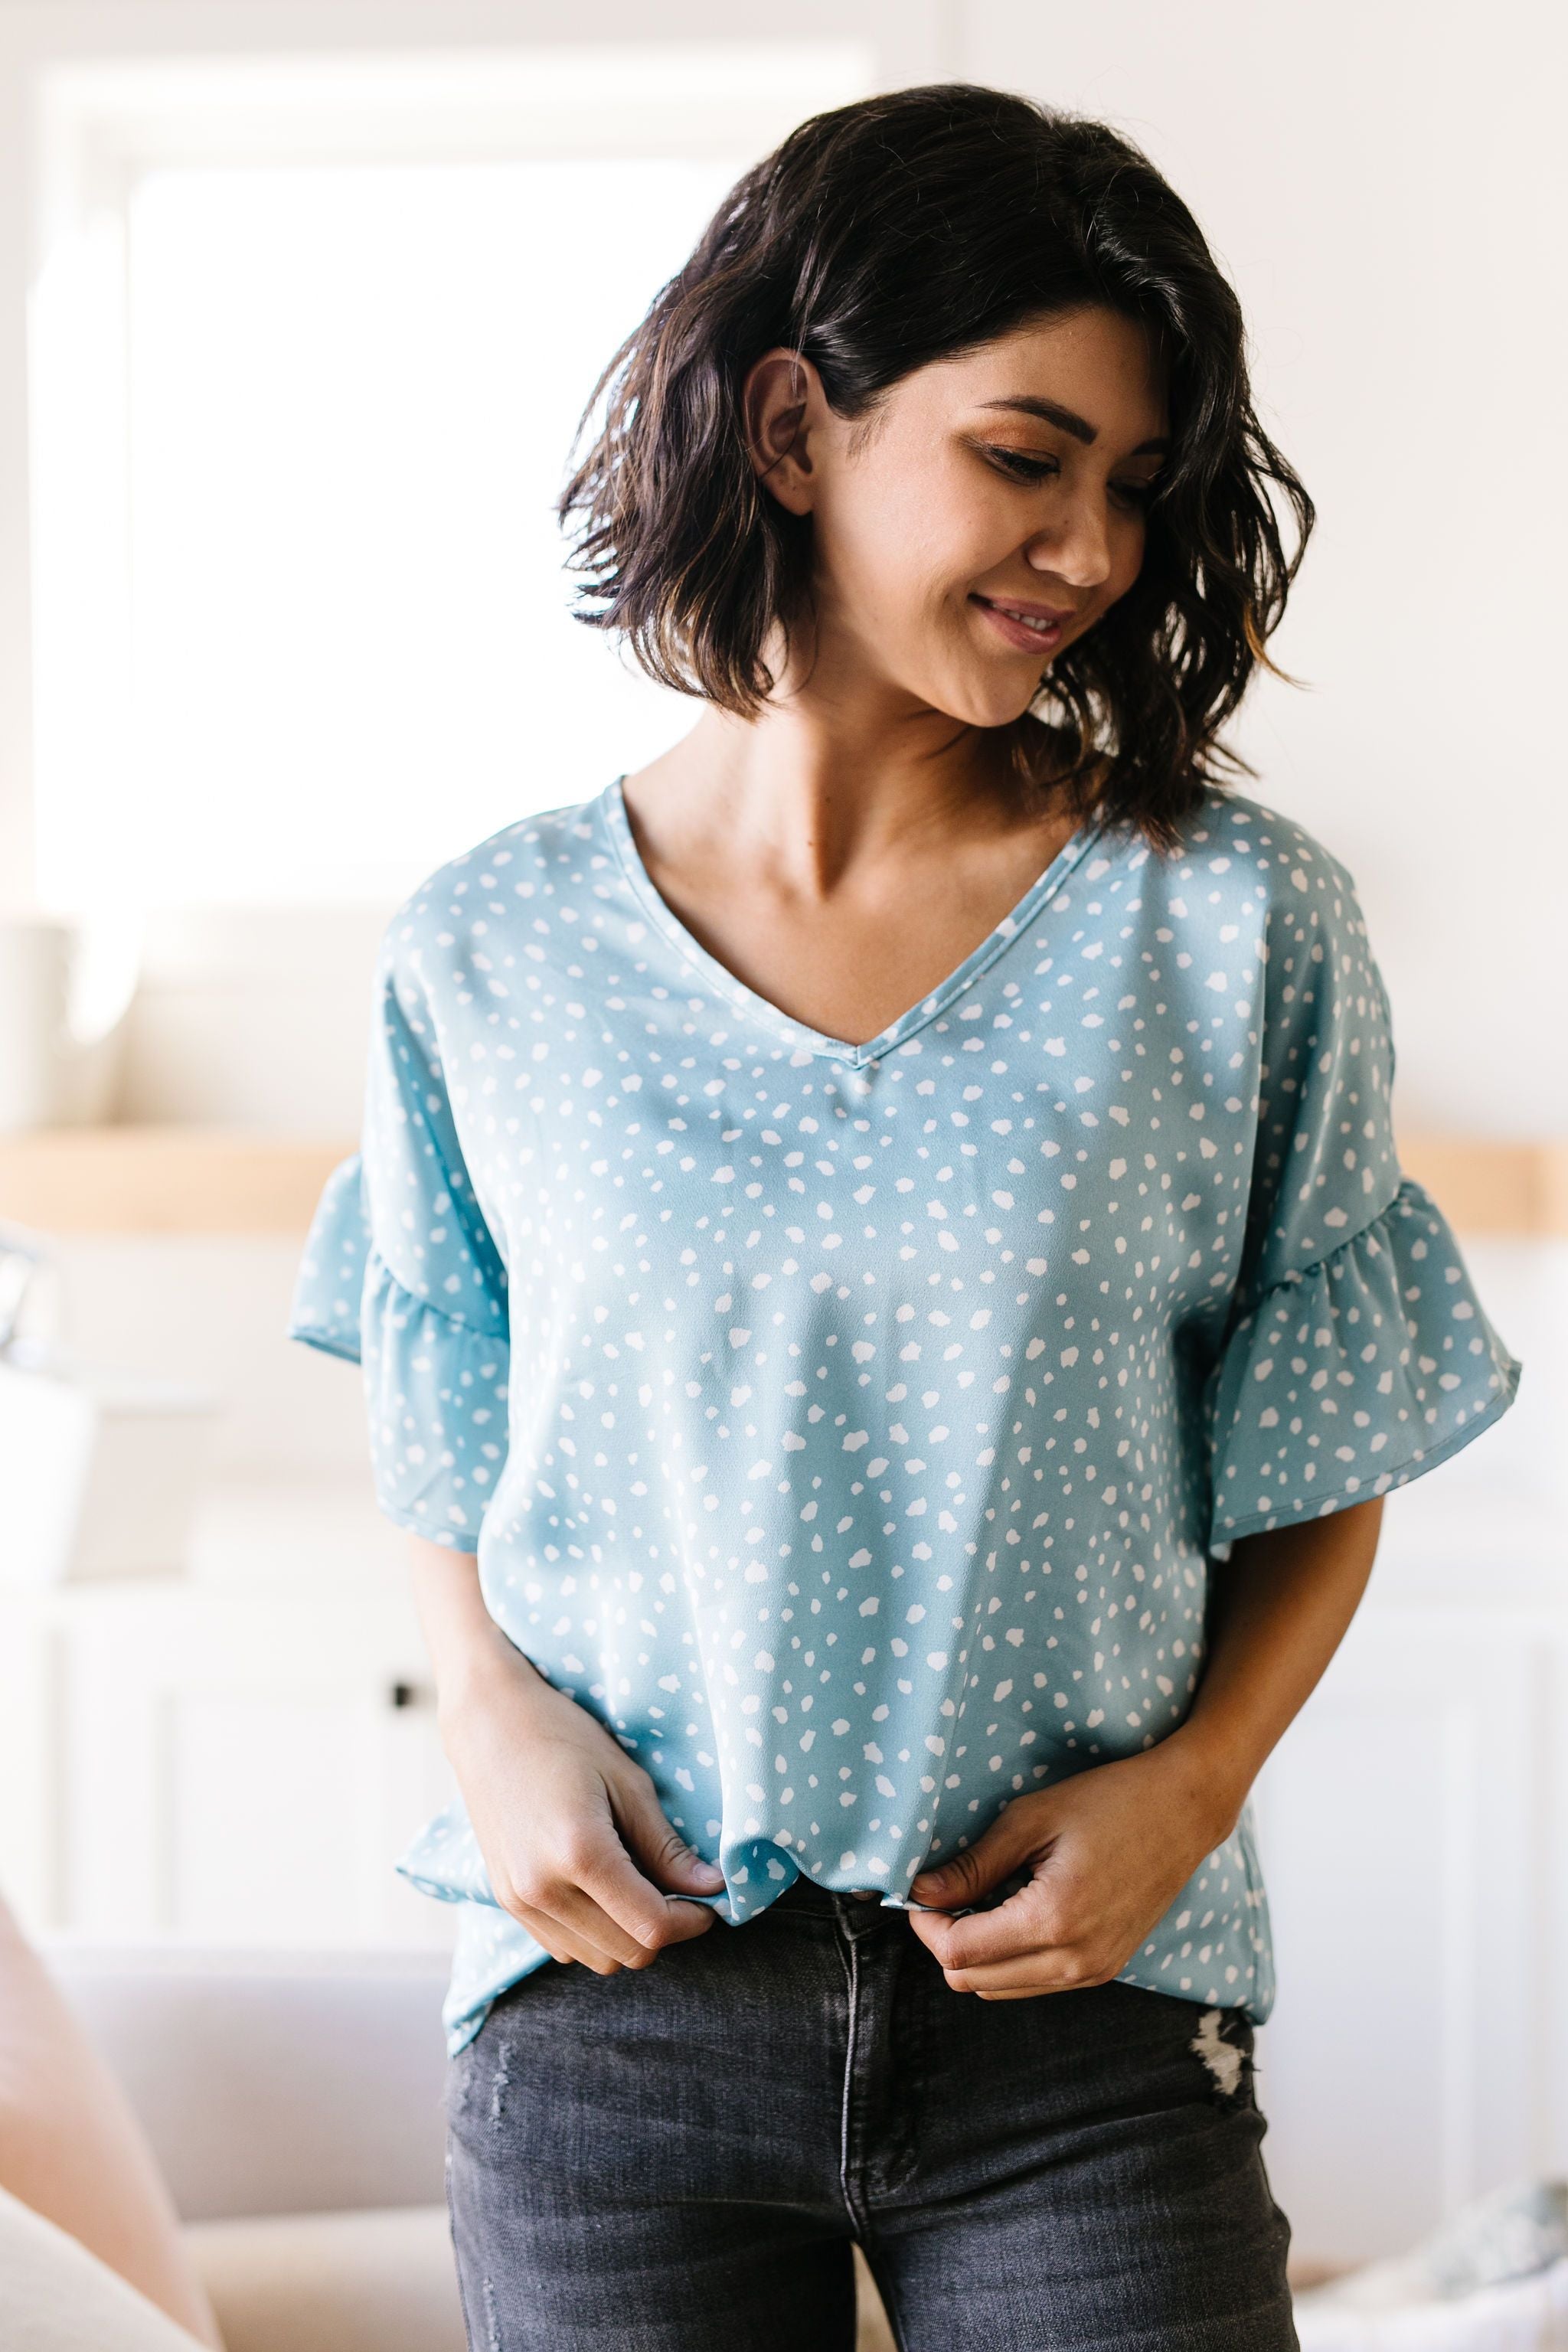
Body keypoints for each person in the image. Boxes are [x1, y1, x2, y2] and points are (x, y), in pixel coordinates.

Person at [287, 82, 1523, 2352]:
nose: (1093, 548)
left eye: (1136, 486)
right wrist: (480, 1708)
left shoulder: (1234, 927)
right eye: (1027, 456)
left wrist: (1196, 1790)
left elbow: (1319, 1446)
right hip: (616, 2007)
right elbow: (447, 1409)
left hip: (1082, 2027)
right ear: (791, 428)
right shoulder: (486, 948)